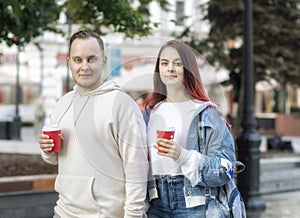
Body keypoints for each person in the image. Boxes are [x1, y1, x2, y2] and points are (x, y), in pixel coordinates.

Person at [39, 30, 148, 218]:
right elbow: (54, 159)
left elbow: (136, 168)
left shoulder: (121, 104)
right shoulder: (63, 103)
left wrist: (134, 215)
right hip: (63, 212)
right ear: (69, 63)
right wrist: (46, 150)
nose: (84, 67)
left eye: (91, 59)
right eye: (78, 60)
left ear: (104, 61)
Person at [144, 40, 239, 217]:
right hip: (155, 202)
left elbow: (226, 168)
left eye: (177, 63)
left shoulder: (207, 113)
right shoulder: (148, 113)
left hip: (195, 204)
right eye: (164, 63)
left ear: (188, 70)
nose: (170, 68)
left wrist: (183, 155)